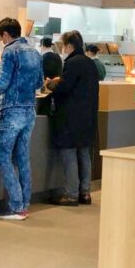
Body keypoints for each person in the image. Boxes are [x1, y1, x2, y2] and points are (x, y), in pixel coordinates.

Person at [0, 17, 44, 220]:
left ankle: (15, 206)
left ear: (6, 35)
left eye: (1, 37)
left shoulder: (9, 51)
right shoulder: (34, 52)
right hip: (29, 110)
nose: (1, 40)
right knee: (23, 158)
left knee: (3, 156)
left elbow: (3, 81)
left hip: (11, 110)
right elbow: (39, 82)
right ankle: (24, 204)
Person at [46, 30, 99, 206]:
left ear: (69, 46)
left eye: (63, 45)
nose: (62, 49)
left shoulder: (72, 63)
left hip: (71, 116)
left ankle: (71, 194)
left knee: (68, 152)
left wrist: (51, 84)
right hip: (88, 116)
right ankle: (85, 192)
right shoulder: (90, 63)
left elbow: (64, 88)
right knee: (83, 153)